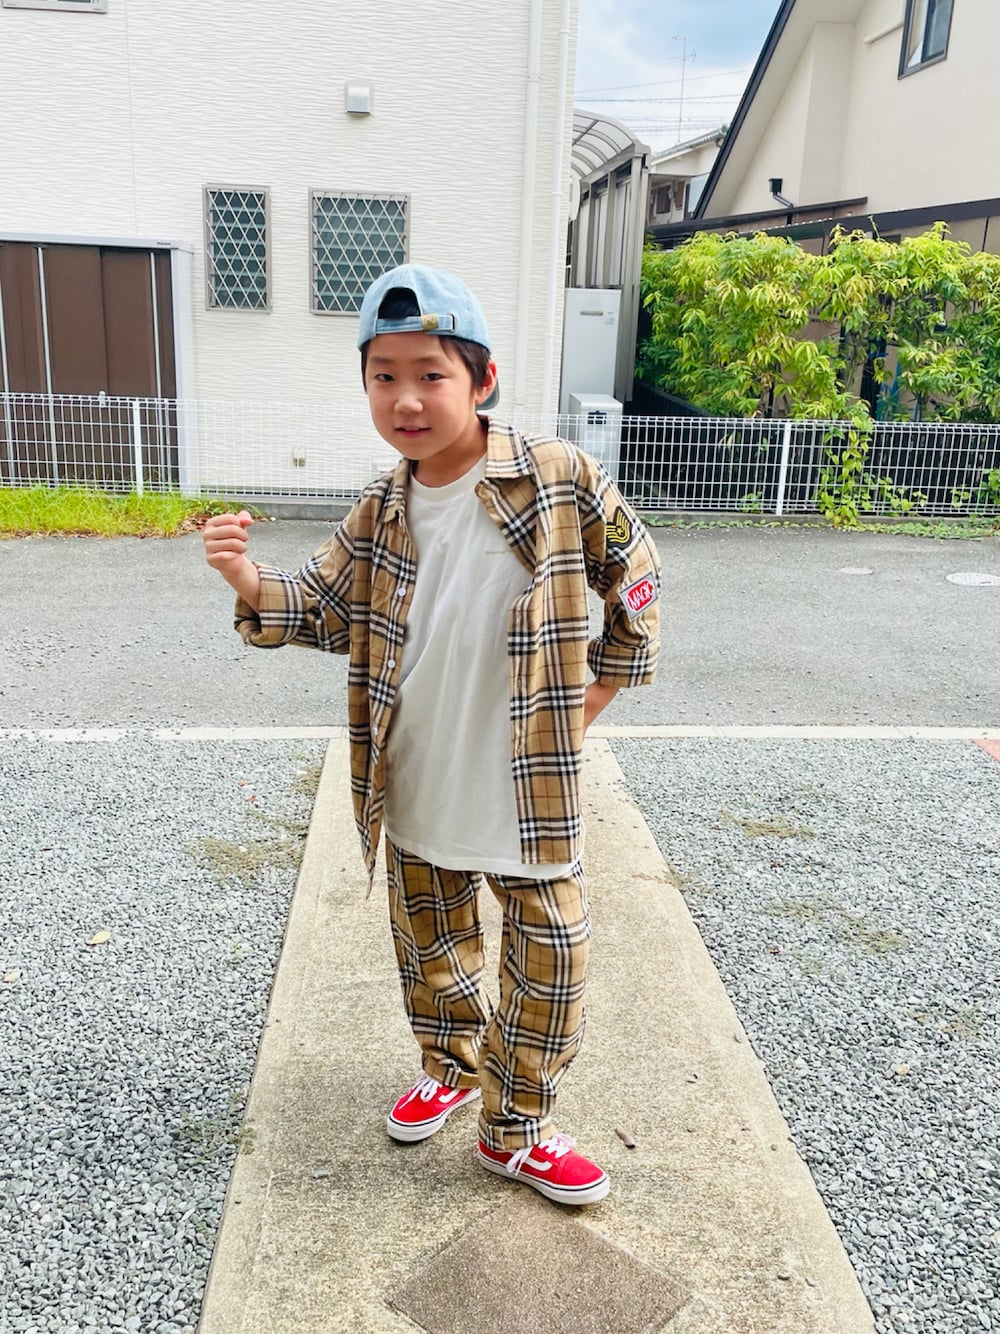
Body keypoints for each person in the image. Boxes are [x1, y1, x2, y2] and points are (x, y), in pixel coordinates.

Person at [202, 264, 660, 1207]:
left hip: (525, 784)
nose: (405, 399)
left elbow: (636, 577)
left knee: (554, 953)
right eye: (384, 376)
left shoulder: (556, 478)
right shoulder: (380, 508)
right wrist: (246, 578)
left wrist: (594, 698)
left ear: (482, 380)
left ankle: (515, 1125)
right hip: (413, 772)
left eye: (430, 374)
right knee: (433, 947)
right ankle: (449, 1065)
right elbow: (321, 604)